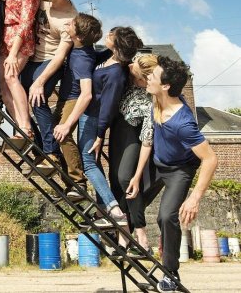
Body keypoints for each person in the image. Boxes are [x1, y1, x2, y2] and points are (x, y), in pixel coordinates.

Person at [127, 57, 218, 292]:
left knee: (166, 217)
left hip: (180, 169)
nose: (148, 79)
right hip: (159, 164)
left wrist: (194, 198)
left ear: (166, 86)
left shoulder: (183, 123)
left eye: (153, 77)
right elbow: (149, 139)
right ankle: (135, 242)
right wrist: (137, 176)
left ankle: (171, 273)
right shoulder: (158, 97)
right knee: (128, 193)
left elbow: (210, 159)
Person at [80, 26, 143, 228]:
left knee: (88, 163)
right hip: (88, 115)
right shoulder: (108, 57)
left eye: (111, 35)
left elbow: (108, 105)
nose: (107, 35)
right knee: (94, 162)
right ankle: (101, 207)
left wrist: (100, 135)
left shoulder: (116, 73)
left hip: (93, 118)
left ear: (117, 43)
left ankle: (114, 209)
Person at [20, 0, 77, 157]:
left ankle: (51, 151)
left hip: (50, 60)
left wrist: (40, 82)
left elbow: (61, 55)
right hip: (30, 57)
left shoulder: (69, 20)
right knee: (12, 94)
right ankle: (37, 145)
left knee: (38, 97)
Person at [109, 53, 158, 253]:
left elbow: (147, 139)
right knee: (114, 181)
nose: (131, 75)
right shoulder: (135, 61)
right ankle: (123, 234)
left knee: (126, 178)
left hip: (132, 132)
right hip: (116, 128)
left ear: (146, 80)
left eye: (136, 77)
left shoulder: (152, 100)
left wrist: (138, 175)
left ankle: (141, 232)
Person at [52, 13, 102, 200]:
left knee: (62, 135)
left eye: (72, 23)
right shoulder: (84, 48)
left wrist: (67, 124)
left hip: (73, 99)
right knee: (53, 132)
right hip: (65, 98)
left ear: (79, 36)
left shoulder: (81, 59)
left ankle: (78, 183)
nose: (68, 22)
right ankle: (70, 182)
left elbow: (86, 93)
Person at [0, 0, 40, 138]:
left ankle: (25, 127)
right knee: (2, 84)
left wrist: (13, 53)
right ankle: (22, 127)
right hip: (5, 41)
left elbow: (25, 23)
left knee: (10, 77)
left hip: (20, 42)